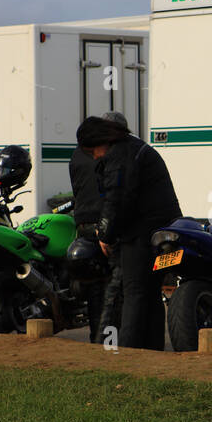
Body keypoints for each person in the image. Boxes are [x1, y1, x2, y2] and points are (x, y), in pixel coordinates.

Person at [77, 115, 182, 351]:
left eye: (92, 150)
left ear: (100, 140)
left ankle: (128, 355)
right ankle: (152, 351)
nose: (94, 156)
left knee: (133, 292)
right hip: (163, 228)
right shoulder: (132, 147)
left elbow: (117, 199)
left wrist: (105, 234)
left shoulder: (119, 154)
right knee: (150, 291)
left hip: (144, 231)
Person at [70, 110, 127, 342]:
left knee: (96, 287)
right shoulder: (111, 154)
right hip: (106, 225)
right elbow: (114, 196)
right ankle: (113, 341)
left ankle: (99, 339)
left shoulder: (77, 154)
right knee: (116, 287)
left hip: (83, 226)